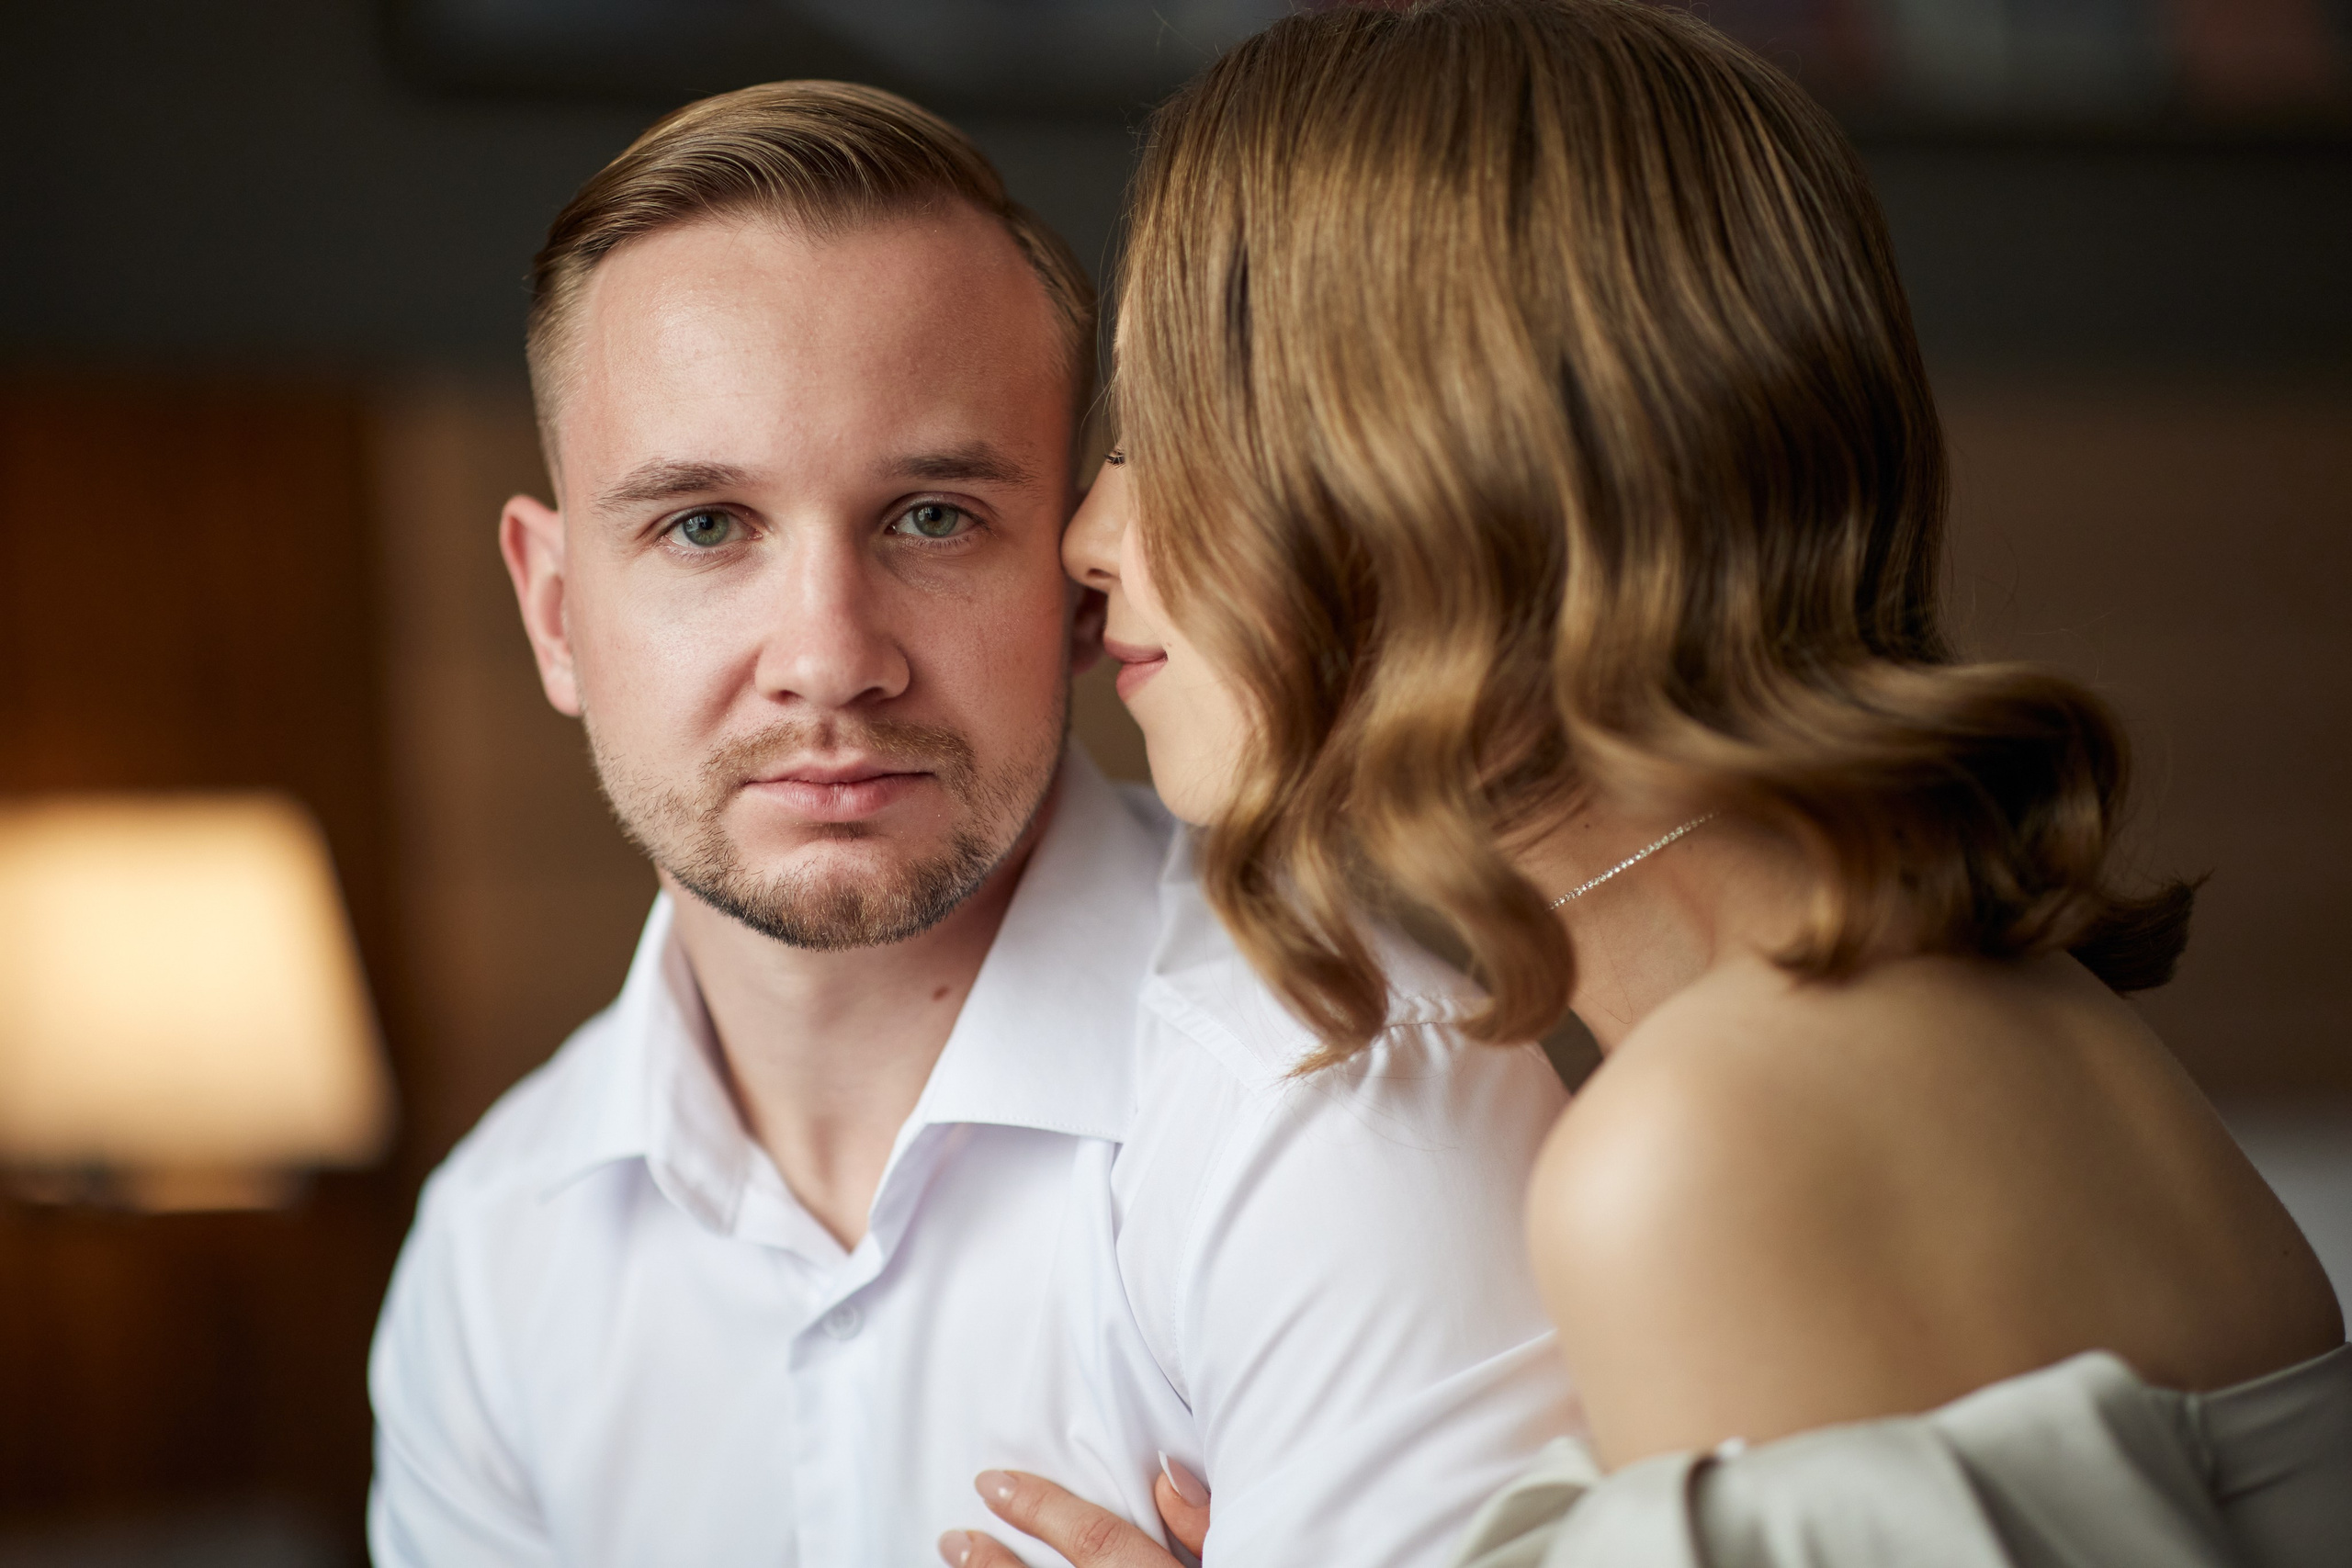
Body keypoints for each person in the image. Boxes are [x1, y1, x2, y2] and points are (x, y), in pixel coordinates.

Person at [941, 2, 2351, 1565]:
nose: (1087, 538)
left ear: (1438, 471)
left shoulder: (1707, 1149)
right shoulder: (1970, 1004)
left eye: (1169, 432)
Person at [366, 80, 1577, 1568]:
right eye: (705, 527)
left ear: (1078, 587)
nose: (830, 658)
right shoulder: (491, 1254)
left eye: (932, 516)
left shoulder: (1349, 1103)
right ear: (556, 613)